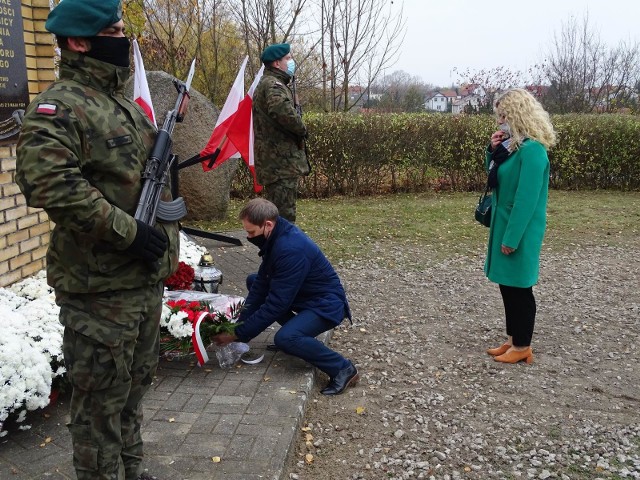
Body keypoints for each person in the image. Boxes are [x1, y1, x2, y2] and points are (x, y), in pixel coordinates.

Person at [15, 1, 179, 478]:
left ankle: (132, 469)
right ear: (81, 42)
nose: (124, 39)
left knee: (132, 392)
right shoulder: (56, 109)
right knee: (98, 407)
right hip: (99, 288)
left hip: (140, 281)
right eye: (114, 31)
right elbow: (50, 186)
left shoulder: (120, 104)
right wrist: (131, 235)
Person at [212, 198, 358, 395]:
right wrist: (237, 326)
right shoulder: (276, 237)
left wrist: (239, 334)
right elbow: (261, 286)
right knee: (253, 281)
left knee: (286, 339)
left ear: (268, 224)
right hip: (305, 295)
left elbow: (276, 305)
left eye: (251, 232)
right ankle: (297, 333)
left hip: (326, 305)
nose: (248, 237)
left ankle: (343, 368)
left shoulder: (290, 249)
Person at [484, 88, 556, 365]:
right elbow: (496, 177)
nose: (500, 120)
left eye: (504, 115)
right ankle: (514, 339)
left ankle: (523, 345)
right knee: (507, 284)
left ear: (516, 114)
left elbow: (527, 200)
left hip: (520, 228)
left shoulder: (534, 151)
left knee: (520, 288)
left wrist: (512, 238)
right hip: (505, 223)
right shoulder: (514, 145)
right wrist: (492, 150)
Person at [253, 43, 310, 223]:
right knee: (282, 219)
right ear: (277, 63)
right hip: (280, 164)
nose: (291, 62)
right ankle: (280, 251)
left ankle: (276, 249)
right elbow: (280, 110)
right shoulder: (273, 85)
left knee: (277, 217)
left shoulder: (272, 83)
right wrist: (301, 128)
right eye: (288, 58)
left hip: (277, 163)